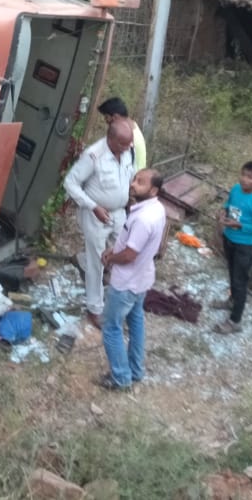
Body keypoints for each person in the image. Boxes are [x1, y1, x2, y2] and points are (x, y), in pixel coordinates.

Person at [98, 168, 166, 392]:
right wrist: (114, 250)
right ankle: (136, 370)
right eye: (135, 179)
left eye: (140, 182)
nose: (133, 184)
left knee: (111, 327)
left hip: (126, 283)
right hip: (142, 279)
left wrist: (111, 259)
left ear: (154, 189)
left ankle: (121, 378)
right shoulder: (157, 209)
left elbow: (129, 255)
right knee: (136, 322)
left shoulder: (144, 219)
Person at [64, 118, 136, 328]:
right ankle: (95, 309)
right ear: (111, 139)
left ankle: (120, 297)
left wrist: (130, 201)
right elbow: (71, 183)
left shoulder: (127, 152)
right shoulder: (94, 155)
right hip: (96, 215)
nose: (127, 148)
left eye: (129, 144)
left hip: (119, 213)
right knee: (96, 261)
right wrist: (92, 206)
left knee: (123, 253)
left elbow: (129, 177)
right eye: (123, 144)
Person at [212, 161, 252, 335]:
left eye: (250, 177)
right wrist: (223, 211)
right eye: (243, 174)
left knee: (240, 281)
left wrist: (240, 226)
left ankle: (235, 320)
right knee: (231, 272)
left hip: (245, 246)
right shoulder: (236, 189)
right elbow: (228, 204)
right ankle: (232, 300)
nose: (244, 179)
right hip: (229, 239)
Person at [98, 97, 147, 169]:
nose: (106, 121)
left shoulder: (126, 137)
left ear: (115, 117)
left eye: (106, 117)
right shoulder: (133, 126)